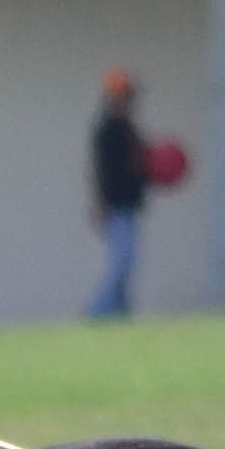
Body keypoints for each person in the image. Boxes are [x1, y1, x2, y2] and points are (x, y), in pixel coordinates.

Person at [86, 69, 151, 317]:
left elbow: (139, 165)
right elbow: (99, 170)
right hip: (116, 205)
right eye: (127, 96)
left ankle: (121, 312)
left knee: (127, 261)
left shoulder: (127, 128)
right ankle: (97, 311)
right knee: (122, 261)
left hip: (128, 204)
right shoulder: (108, 129)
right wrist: (100, 203)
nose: (131, 102)